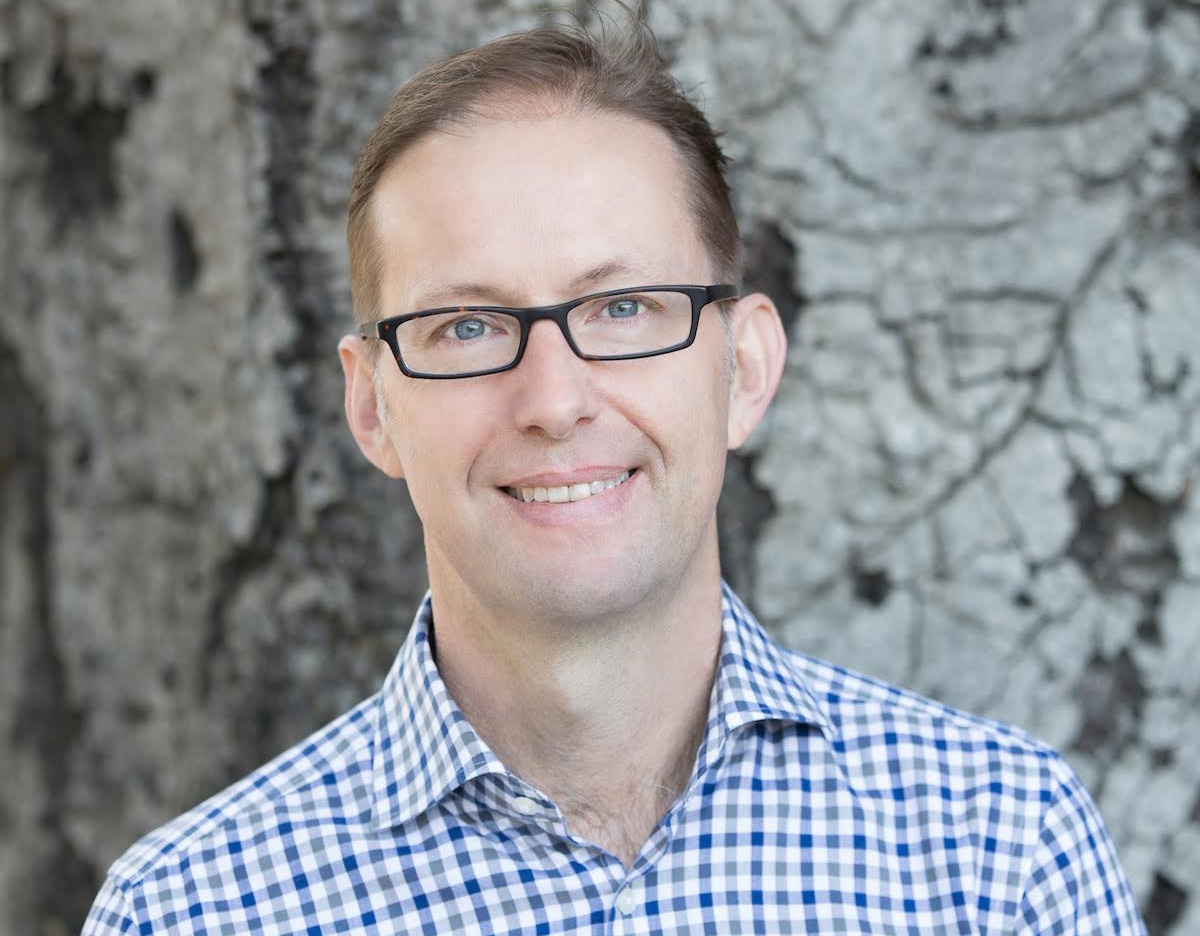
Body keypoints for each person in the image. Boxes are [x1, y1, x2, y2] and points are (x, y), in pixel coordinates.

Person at [84, 10, 1147, 935]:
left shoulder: (1003, 854)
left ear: (742, 369)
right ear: (373, 406)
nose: (555, 401)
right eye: (465, 326)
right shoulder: (189, 911)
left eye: (623, 310)